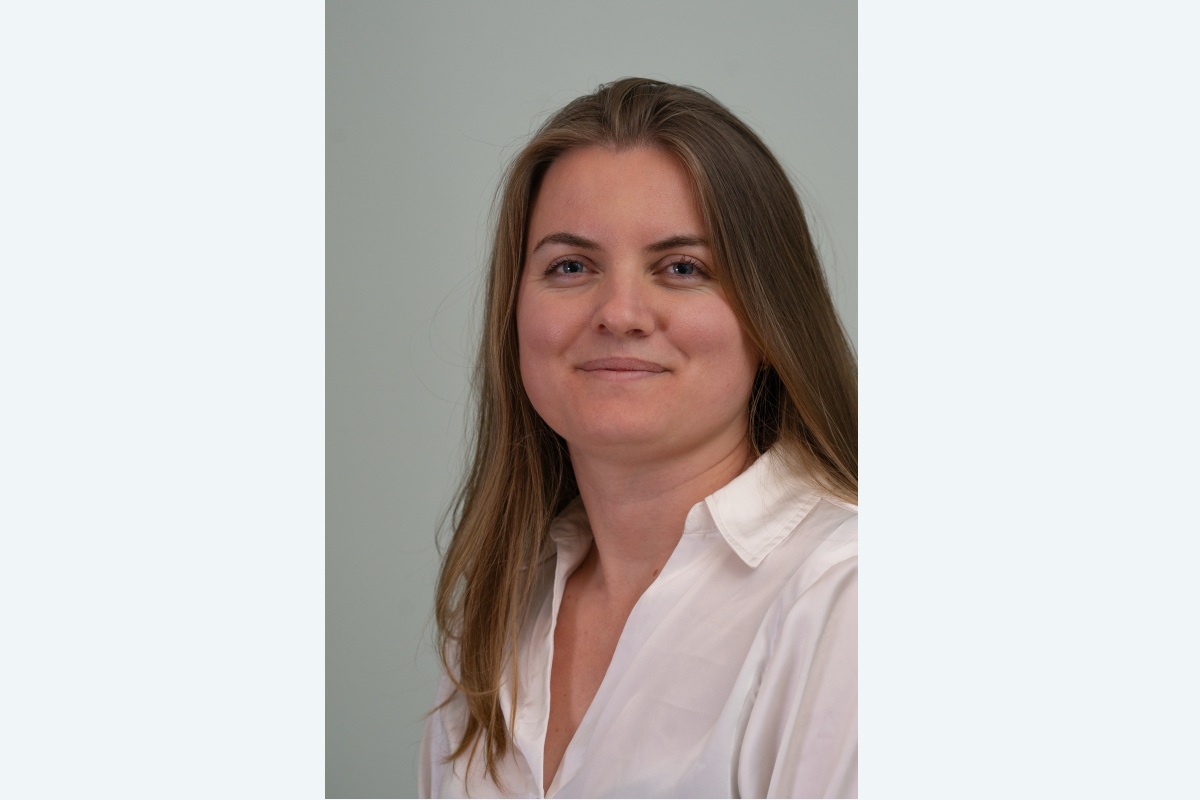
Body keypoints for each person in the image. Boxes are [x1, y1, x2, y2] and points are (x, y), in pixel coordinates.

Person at [420, 78, 857, 799]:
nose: (620, 313)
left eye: (682, 268)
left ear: (771, 316)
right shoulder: (494, 618)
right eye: (570, 266)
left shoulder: (846, 597)